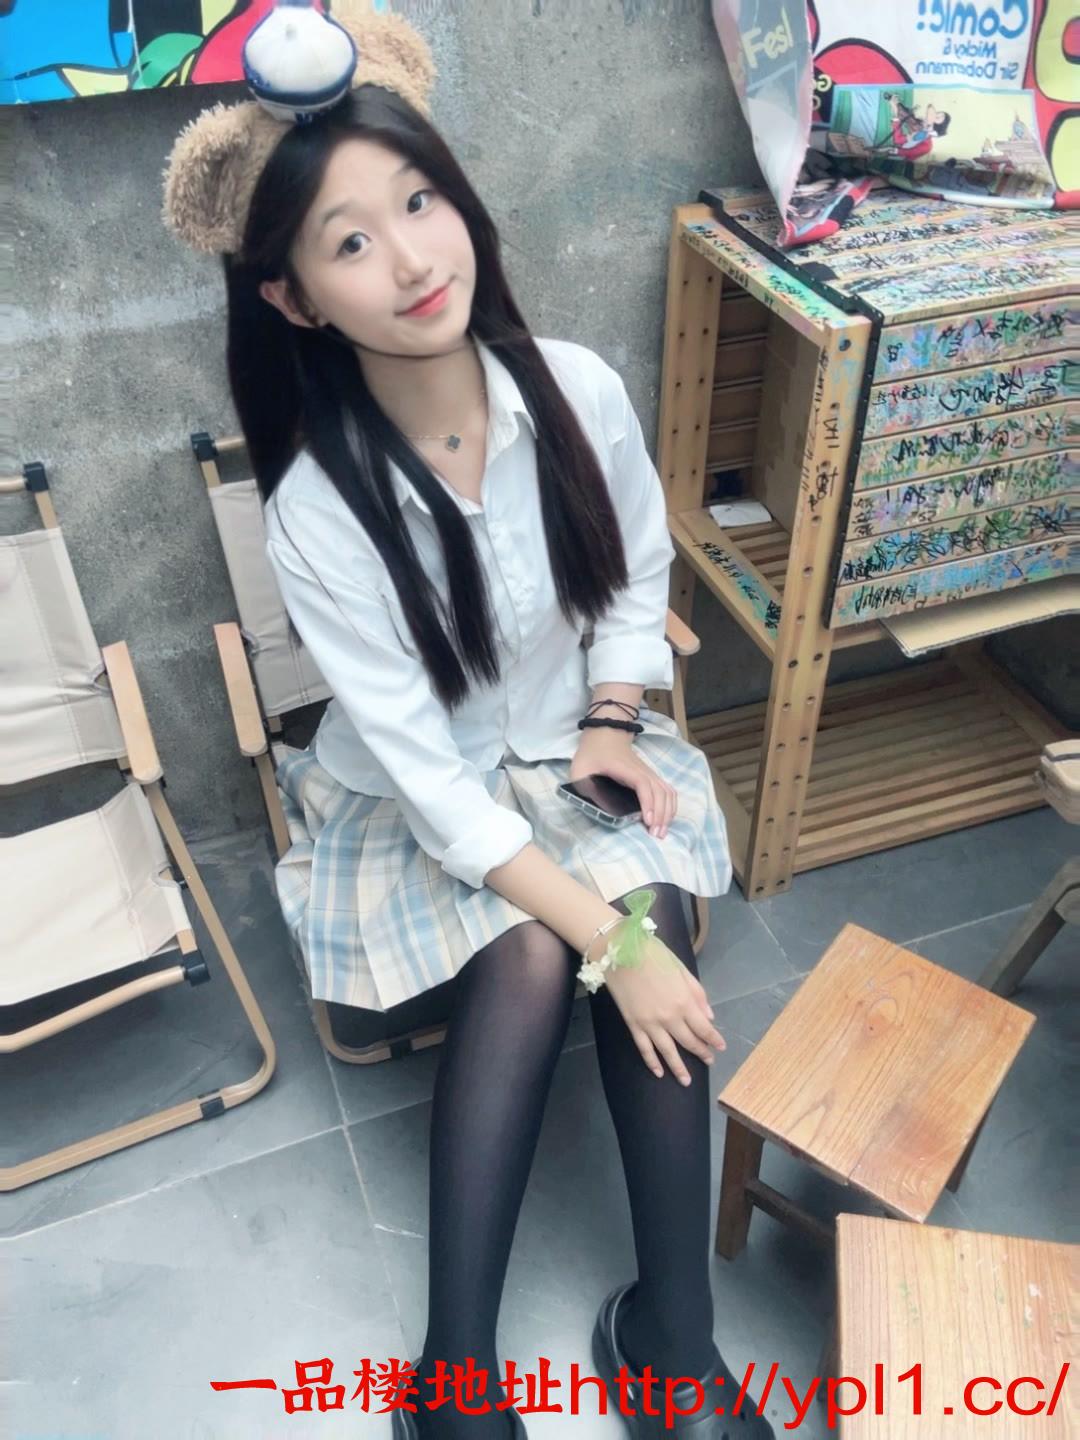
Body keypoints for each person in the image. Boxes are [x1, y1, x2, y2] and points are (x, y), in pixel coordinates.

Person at [163, 8, 775, 1439]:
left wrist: (613, 718)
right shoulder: (318, 510)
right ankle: (460, 1379)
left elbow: (634, 572)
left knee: (644, 924)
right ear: (295, 298)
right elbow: (439, 794)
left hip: (573, 751)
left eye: (420, 201)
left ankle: (672, 1345)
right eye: (351, 240)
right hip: (418, 802)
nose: (412, 258)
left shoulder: (579, 387)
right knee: (541, 949)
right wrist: (616, 943)